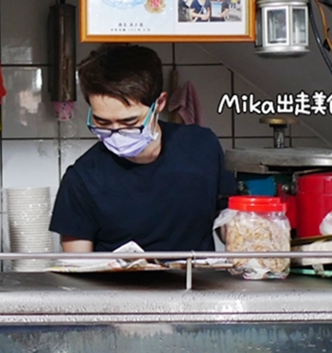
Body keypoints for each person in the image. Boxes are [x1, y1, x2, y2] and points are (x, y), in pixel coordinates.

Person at [50, 44, 235, 253]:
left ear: (160, 103)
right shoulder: (82, 179)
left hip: (198, 282)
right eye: (102, 123)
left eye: (130, 123)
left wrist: (252, 233)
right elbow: (78, 267)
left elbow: (228, 217)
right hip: (117, 286)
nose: (116, 132)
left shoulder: (202, 147)